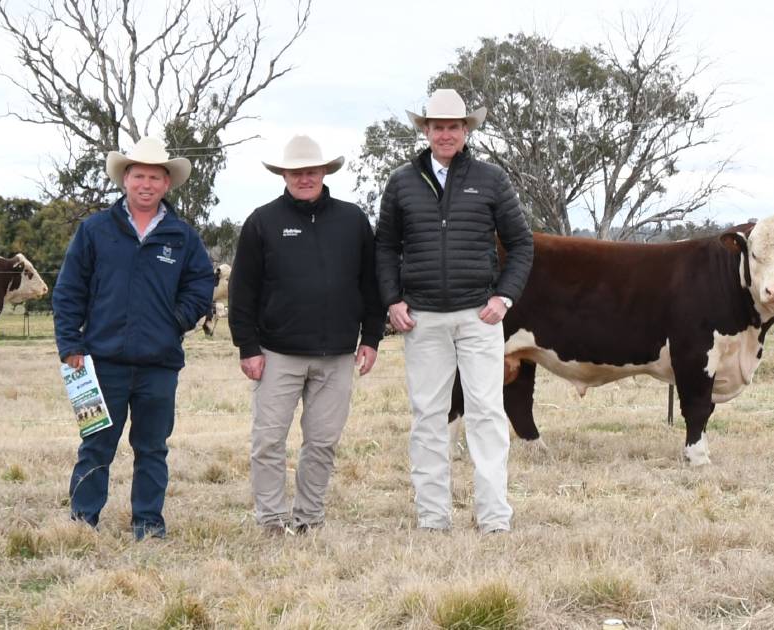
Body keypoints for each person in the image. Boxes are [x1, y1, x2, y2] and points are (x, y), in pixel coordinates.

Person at [375, 89, 534, 534]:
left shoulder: (492, 179)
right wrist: (393, 299)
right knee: (428, 416)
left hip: (478, 316)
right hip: (422, 319)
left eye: (454, 126)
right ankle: (432, 518)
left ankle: (494, 518)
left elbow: (522, 244)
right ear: (425, 130)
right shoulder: (402, 182)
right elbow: (385, 246)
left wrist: (503, 298)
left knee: (486, 413)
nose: (445, 134)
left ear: (467, 131)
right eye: (437, 126)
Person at [53, 136, 215, 540]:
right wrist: (70, 346)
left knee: (152, 448)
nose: (146, 184)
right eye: (139, 175)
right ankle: (82, 522)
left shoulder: (182, 237)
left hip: (159, 365)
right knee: (94, 446)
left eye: (155, 177)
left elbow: (200, 287)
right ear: (125, 179)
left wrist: (174, 321)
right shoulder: (94, 230)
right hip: (99, 362)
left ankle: (148, 525)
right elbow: (69, 290)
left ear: (167, 184)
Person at [229, 135, 386, 535]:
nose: (304, 178)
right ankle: (272, 520)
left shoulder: (352, 220)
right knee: (268, 442)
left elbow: (371, 285)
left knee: (321, 443)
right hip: (276, 353)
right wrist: (248, 346)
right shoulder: (262, 222)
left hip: (337, 355)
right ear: (284, 174)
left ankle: (309, 518)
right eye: (296, 171)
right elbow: (242, 291)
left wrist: (370, 338)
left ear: (324, 172)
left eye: (311, 171)